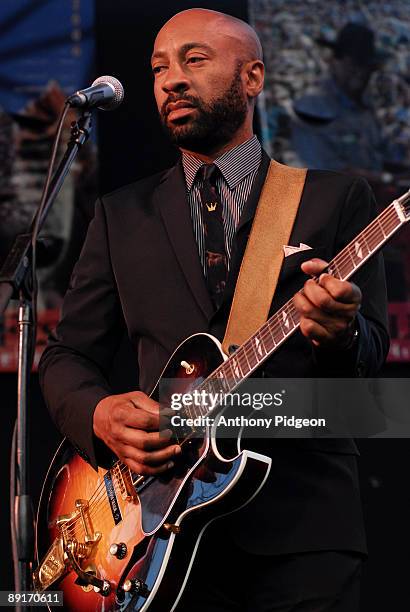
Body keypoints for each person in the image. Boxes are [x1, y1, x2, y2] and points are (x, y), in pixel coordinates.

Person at [39, 8, 389, 612]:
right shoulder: (123, 216)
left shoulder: (336, 199)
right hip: (157, 539)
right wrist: (98, 415)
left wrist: (339, 335)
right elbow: (68, 355)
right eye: (157, 68)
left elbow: (366, 391)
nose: (170, 79)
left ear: (252, 78)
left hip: (303, 535)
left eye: (193, 60)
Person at [290, 23, 391, 182]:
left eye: (366, 65)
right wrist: (386, 179)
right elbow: (325, 173)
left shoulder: (365, 108)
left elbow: (380, 154)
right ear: (335, 62)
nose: (360, 71)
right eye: (353, 63)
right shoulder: (312, 107)